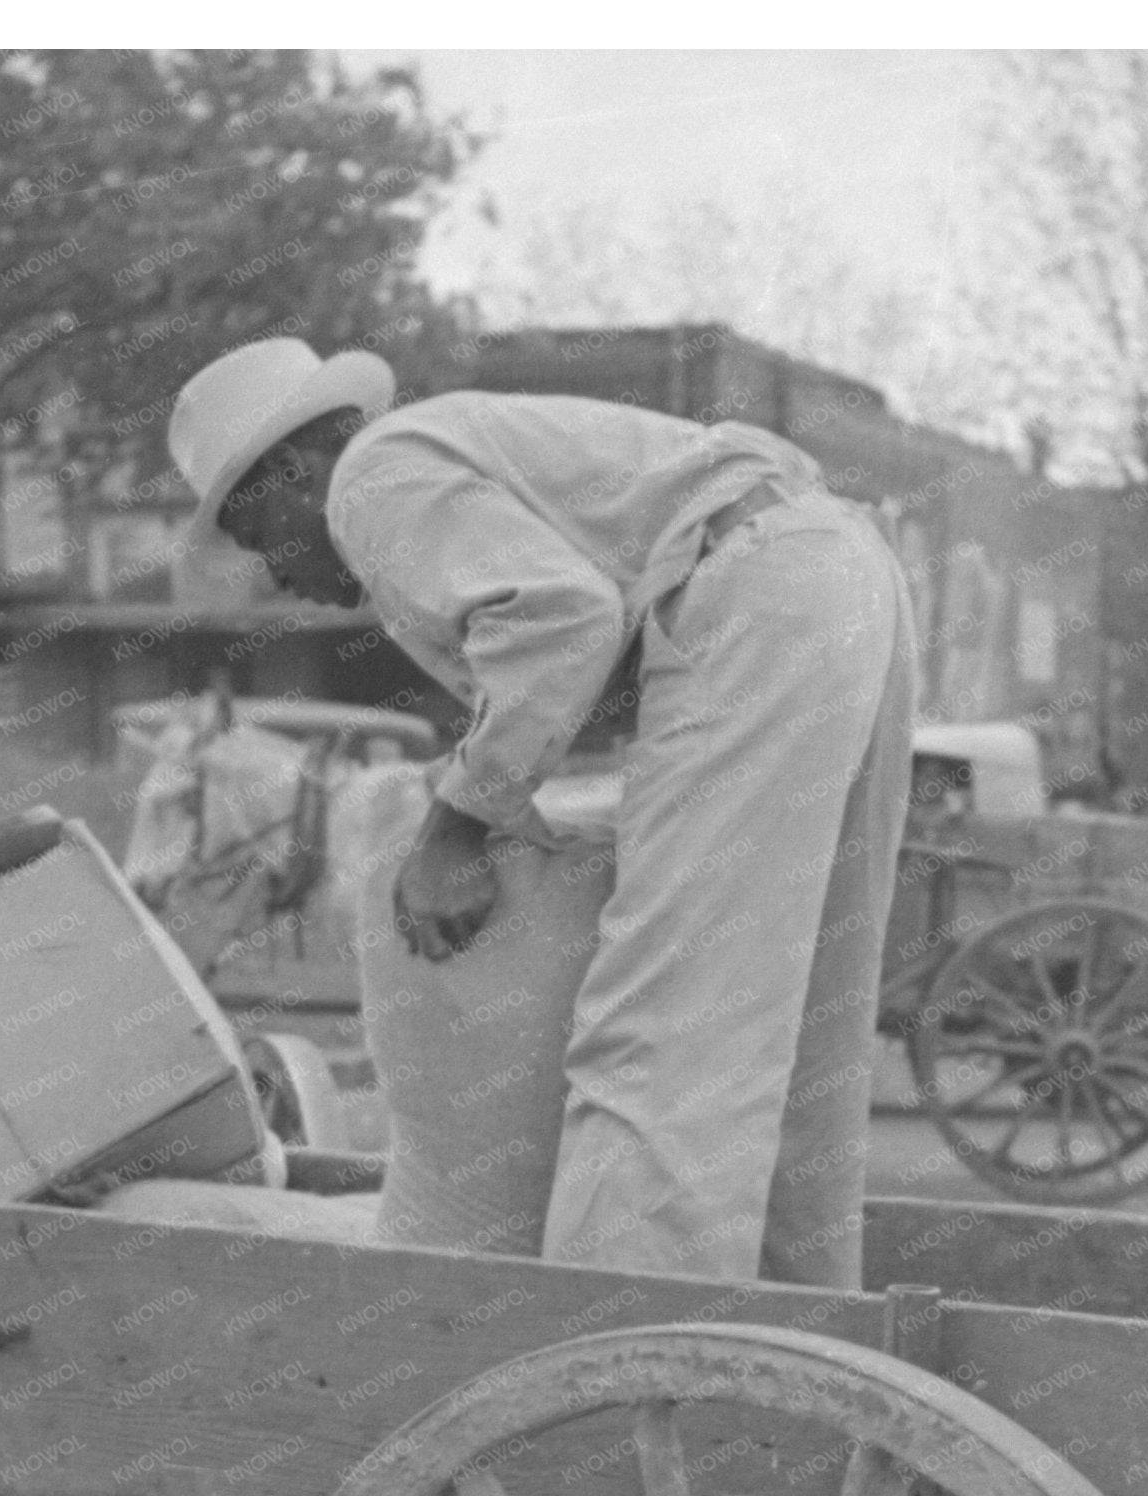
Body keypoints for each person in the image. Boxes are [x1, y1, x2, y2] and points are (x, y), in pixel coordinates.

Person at [167, 338, 918, 1288]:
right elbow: (587, 647)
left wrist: (455, 827)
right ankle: (800, 1339)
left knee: (657, 1030)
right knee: (800, 1029)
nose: (275, 571)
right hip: (836, 574)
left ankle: (621, 1353)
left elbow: (559, 620)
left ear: (291, 470)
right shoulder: (451, 454)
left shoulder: (371, 479)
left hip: (756, 594)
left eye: (259, 533)